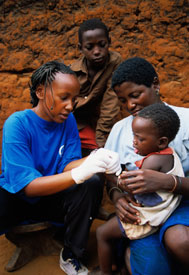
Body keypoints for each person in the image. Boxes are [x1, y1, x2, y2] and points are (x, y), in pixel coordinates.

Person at [0, 60, 121, 275]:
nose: (70, 105)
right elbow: (28, 186)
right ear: (40, 92)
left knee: (92, 180)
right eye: (64, 97)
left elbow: (68, 164)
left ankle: (72, 254)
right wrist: (78, 172)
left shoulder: (68, 121)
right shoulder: (17, 123)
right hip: (18, 203)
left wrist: (96, 159)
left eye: (74, 99)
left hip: (52, 198)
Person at [104, 57, 189, 275]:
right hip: (145, 213)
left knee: (180, 240)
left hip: (183, 204)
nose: (130, 105)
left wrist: (170, 182)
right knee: (152, 269)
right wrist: (118, 198)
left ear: (155, 84)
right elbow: (111, 177)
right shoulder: (120, 130)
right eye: (123, 100)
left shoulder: (186, 121)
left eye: (135, 95)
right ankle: (135, 257)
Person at [93, 103, 184, 275]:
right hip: (161, 212)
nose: (134, 141)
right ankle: (118, 264)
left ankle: (106, 271)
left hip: (145, 217)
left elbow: (132, 188)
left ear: (161, 141)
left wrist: (109, 174)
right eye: (134, 136)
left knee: (102, 233)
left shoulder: (152, 162)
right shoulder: (169, 155)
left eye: (140, 138)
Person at [70, 18, 122, 155]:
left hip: (99, 124)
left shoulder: (115, 62)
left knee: (101, 155)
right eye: (89, 47)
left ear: (109, 42)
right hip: (74, 123)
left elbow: (111, 102)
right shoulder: (71, 72)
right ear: (80, 48)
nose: (97, 51)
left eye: (102, 44)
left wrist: (101, 138)